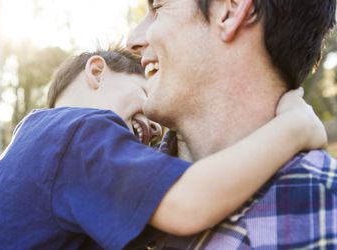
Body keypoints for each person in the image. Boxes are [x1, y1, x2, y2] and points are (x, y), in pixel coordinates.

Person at [0, 47, 325, 250]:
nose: (150, 128)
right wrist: (293, 128)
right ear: (97, 72)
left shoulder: (26, 153)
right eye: (146, 97)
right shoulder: (78, 132)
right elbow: (190, 203)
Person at [126, 0, 337, 249]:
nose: (132, 41)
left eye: (159, 7)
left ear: (231, 10)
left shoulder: (325, 219)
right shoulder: (111, 190)